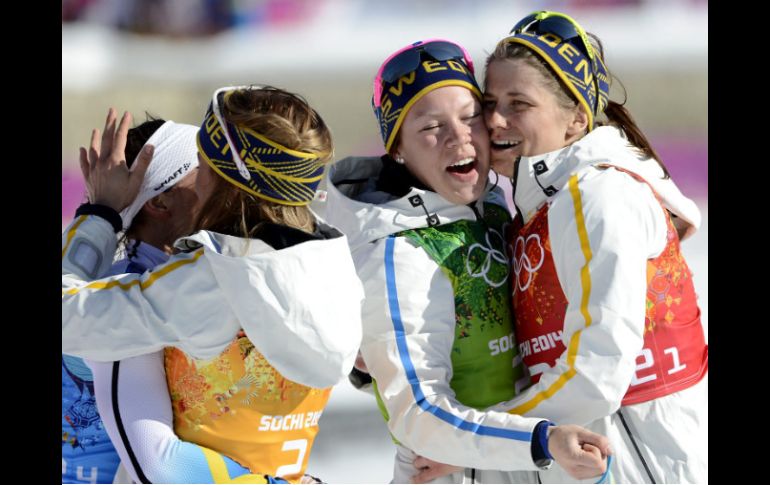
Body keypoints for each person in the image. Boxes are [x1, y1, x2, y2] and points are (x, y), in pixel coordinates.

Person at [323, 39, 611, 484]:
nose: (459, 137)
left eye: (469, 116)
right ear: (397, 150)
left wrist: (661, 200)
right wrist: (537, 441)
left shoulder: (493, 207)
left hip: (534, 462)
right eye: (430, 127)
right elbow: (418, 412)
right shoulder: (401, 253)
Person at [62, 86, 365, 482]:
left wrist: (99, 213)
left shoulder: (197, 285)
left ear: (230, 183)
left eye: (206, 165)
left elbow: (158, 466)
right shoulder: (334, 264)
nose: (203, 177)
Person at [478, 11, 707, 483]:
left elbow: (598, 372)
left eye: (518, 103)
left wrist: (477, 444)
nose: (495, 119)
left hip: (647, 466)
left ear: (575, 120)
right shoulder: (536, 210)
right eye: (489, 101)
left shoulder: (597, 194)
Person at [62, 115, 198, 484]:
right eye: (210, 174)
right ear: (163, 201)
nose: (225, 186)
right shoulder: (132, 288)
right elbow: (161, 465)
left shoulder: (168, 276)